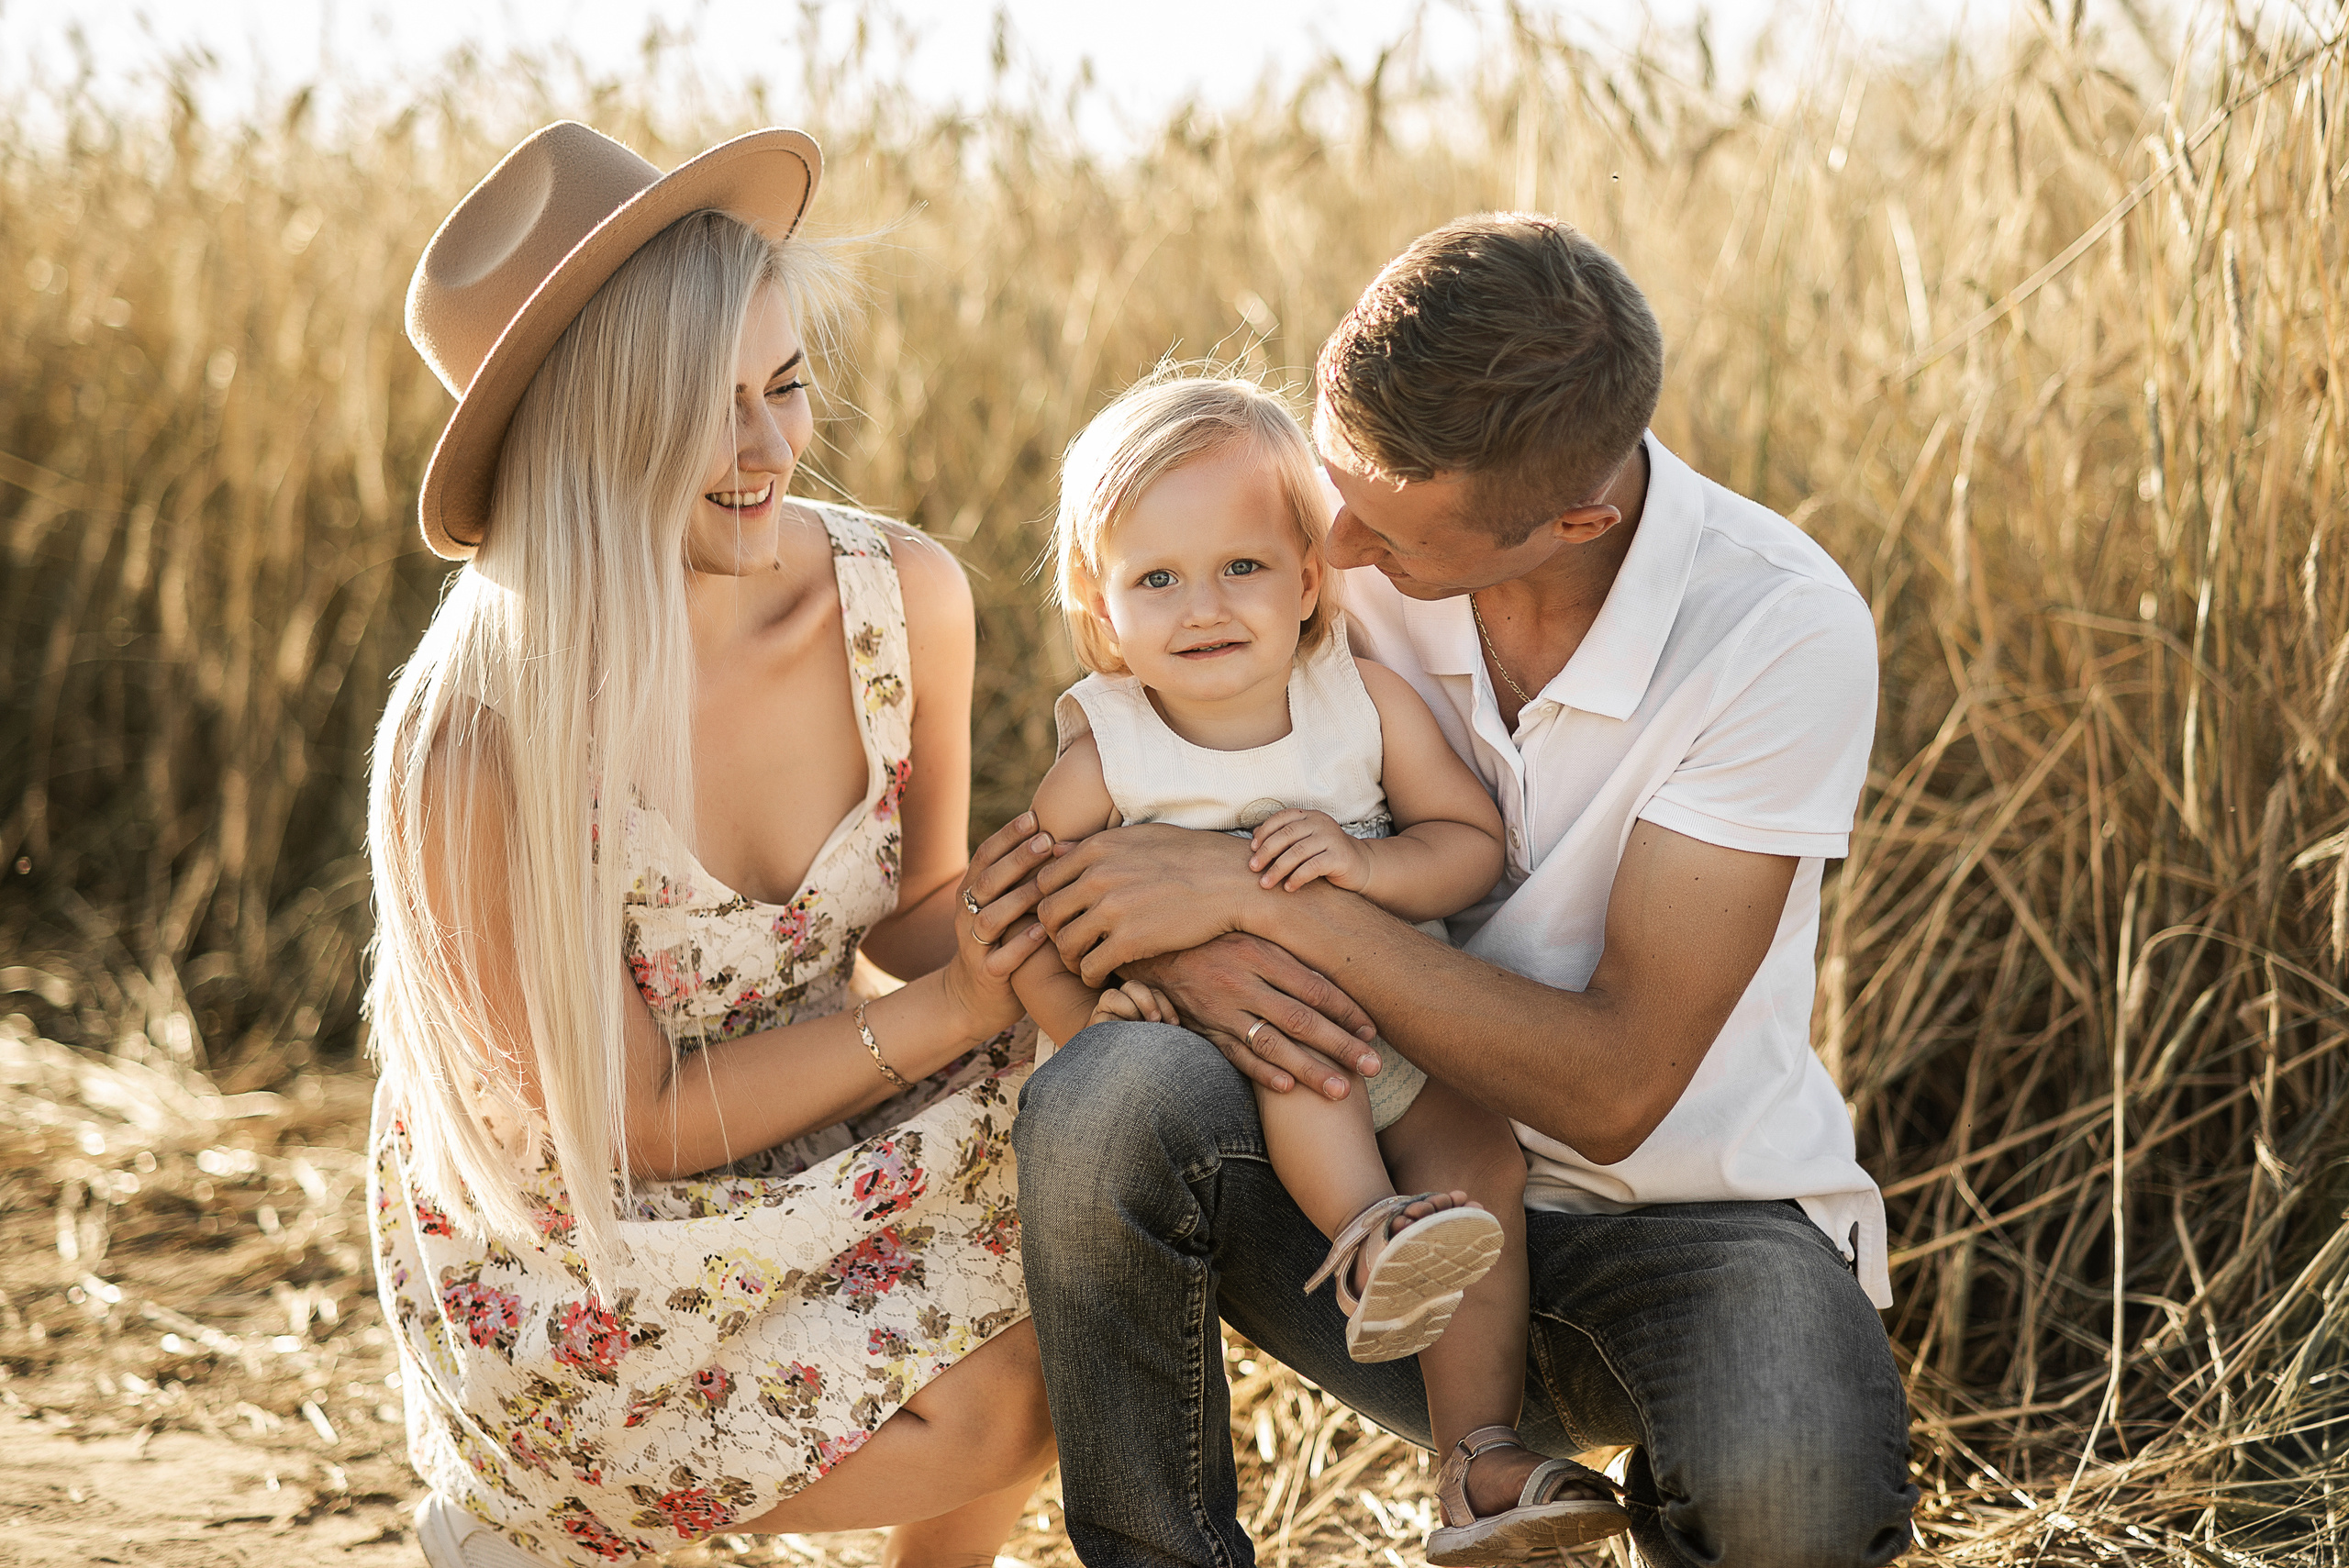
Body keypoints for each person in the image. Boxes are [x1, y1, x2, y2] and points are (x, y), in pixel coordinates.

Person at [976, 216, 1920, 1566]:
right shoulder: (1317, 539)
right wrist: (1154, 947)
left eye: (1384, 526)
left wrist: (1261, 898)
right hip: (1345, 1188)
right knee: (1106, 1099)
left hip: (1692, 1217)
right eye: (1329, 478)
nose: (1334, 543)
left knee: (1794, 1495)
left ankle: (1517, 1472)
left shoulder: (1773, 629)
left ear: (1573, 521)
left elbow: (1613, 1083)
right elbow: (1104, 841)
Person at [365, 120, 1063, 1568]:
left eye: (786, 383)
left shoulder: (900, 599)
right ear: (587, 430)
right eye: (704, 406)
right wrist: (948, 1011)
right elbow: (628, 1123)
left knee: (1094, 1259)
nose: (770, 449)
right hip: (580, 1235)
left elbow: (909, 912)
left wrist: (1051, 908)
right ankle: (521, 1511)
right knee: (999, 1403)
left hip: (814, 1131)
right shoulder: (485, 729)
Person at [1013, 373, 1629, 1562]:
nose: (1204, 606)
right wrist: (1100, 1007)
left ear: (1309, 579)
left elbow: (1465, 845)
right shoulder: (1112, 741)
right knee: (1305, 1070)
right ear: (1099, 607)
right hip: (1237, 1060)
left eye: (1243, 566)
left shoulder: (1352, 699)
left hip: (1395, 1016)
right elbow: (1033, 902)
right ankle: (1367, 1230)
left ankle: (1478, 1458)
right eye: (1156, 578)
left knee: (1481, 1152)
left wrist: (1359, 864)